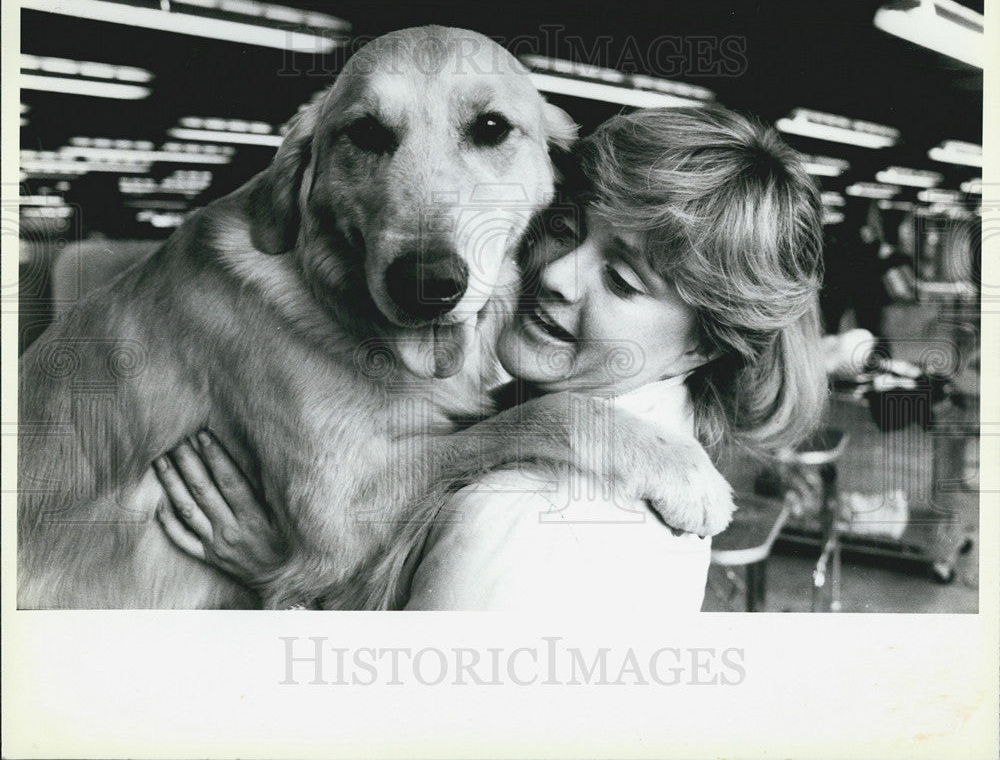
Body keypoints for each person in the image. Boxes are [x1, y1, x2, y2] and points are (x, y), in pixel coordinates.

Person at [153, 106, 826, 611]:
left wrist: (283, 578)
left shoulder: (526, 513)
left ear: (705, 343)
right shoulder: (658, 440)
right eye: (564, 228)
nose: (559, 273)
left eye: (622, 281)